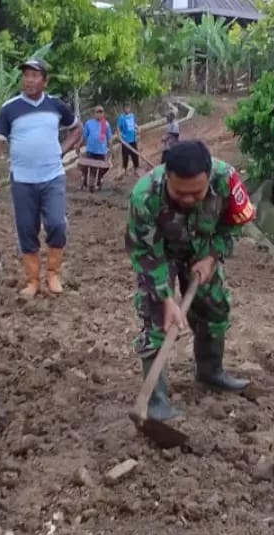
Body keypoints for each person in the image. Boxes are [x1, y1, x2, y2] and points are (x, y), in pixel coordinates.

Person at [126, 139, 256, 420]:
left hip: (202, 249)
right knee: (158, 316)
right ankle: (156, 401)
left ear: (209, 177)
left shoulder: (227, 181)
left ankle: (210, 371)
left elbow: (235, 224)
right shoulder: (145, 195)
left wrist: (212, 255)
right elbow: (145, 253)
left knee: (215, 306)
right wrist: (165, 297)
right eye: (179, 193)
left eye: (195, 194)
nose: (186, 199)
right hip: (161, 253)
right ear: (167, 176)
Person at [0, 58, 82, 298]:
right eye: (26, 75)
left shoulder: (56, 105)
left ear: (44, 81)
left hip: (52, 175)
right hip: (23, 178)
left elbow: (76, 129)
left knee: (57, 224)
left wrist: (63, 148)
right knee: (26, 228)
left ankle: (52, 273)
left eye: (34, 75)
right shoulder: (10, 108)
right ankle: (32, 280)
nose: (29, 80)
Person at [80, 105, 112, 191]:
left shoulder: (105, 124)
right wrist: (78, 145)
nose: (99, 113)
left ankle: (99, 180)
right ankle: (86, 181)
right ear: (94, 113)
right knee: (88, 168)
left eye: (101, 112)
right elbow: (84, 136)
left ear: (103, 113)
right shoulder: (89, 123)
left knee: (102, 168)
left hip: (101, 151)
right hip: (91, 150)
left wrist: (111, 150)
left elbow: (109, 138)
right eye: (97, 112)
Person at [116, 102, 140, 174]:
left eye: (128, 108)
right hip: (125, 140)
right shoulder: (121, 117)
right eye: (126, 108)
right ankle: (125, 170)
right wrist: (120, 137)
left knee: (135, 154)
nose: (127, 109)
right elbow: (118, 127)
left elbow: (133, 124)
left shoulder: (132, 116)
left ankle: (136, 169)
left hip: (133, 139)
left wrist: (137, 127)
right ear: (124, 109)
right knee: (125, 156)